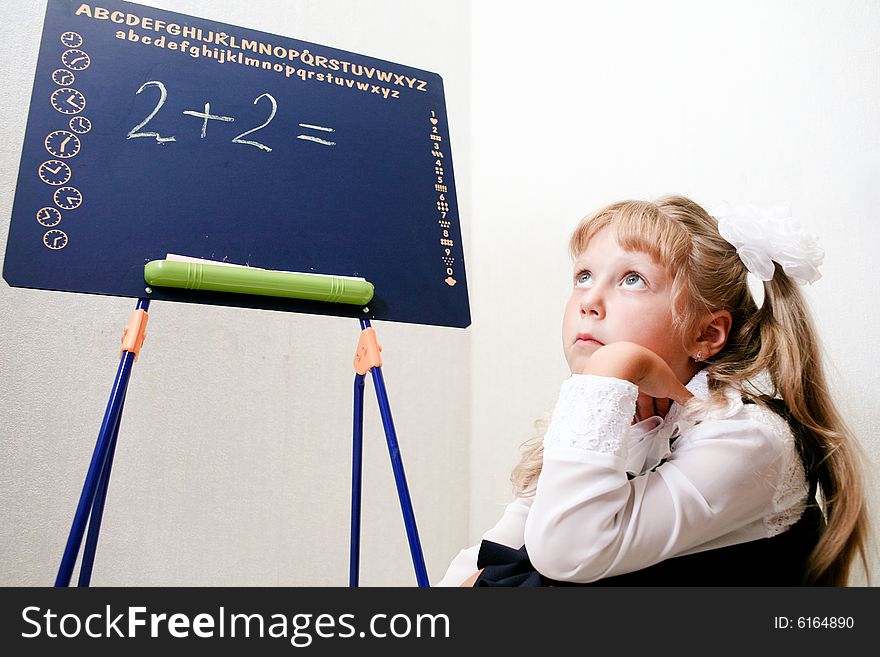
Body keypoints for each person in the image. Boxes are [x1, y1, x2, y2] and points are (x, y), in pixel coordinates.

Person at [438, 195, 871, 587]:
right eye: (584, 275)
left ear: (706, 333)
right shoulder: (627, 425)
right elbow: (488, 554)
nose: (590, 300)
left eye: (632, 279)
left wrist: (609, 370)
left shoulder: (747, 437)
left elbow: (563, 554)